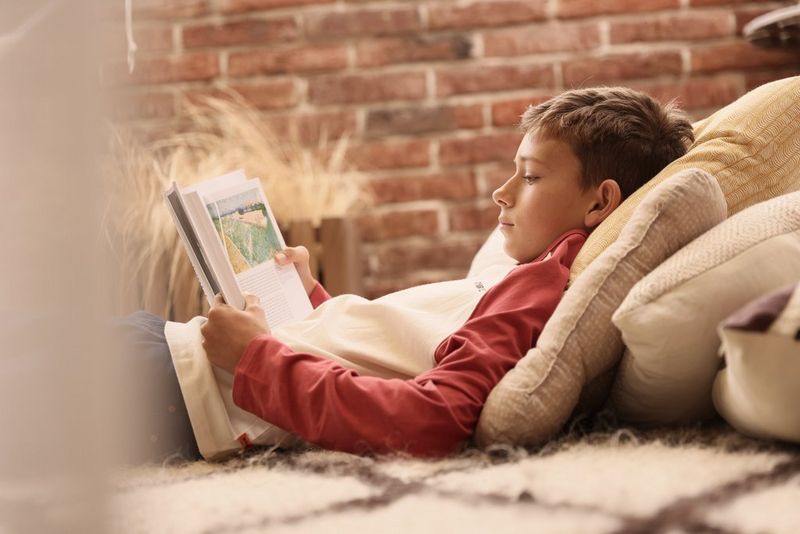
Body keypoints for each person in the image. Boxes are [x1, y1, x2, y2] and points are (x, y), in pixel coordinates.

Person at [123, 87, 694, 463]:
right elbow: (385, 351)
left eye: (530, 177)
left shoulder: (537, 290)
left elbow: (428, 420)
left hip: (178, 387)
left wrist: (255, 360)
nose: (502, 193)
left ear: (600, 205)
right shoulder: (528, 278)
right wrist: (313, 297)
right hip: (171, 360)